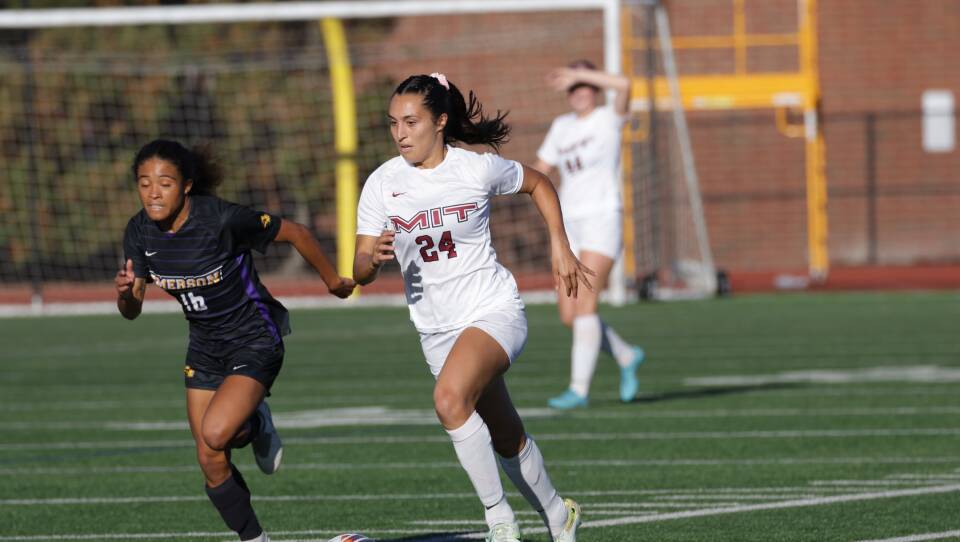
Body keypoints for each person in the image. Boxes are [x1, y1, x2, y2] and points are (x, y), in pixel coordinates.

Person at [353, 73, 587, 542]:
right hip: (435, 330)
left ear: (440, 121)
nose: (400, 132)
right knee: (505, 434)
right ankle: (559, 514)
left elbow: (539, 183)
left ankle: (499, 520)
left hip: (493, 310)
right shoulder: (382, 183)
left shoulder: (475, 168)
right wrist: (369, 262)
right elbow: (360, 266)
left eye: (411, 121)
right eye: (393, 123)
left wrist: (560, 245)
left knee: (449, 401)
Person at [115, 139, 356, 542]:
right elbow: (132, 309)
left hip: (254, 336)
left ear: (186, 185)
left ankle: (254, 416)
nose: (153, 193)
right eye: (144, 183)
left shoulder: (221, 220)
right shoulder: (139, 232)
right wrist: (124, 291)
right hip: (205, 347)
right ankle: (255, 538)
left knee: (215, 433)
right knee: (210, 457)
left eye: (165, 183)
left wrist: (333, 281)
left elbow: (295, 232)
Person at [532, 60, 646, 410]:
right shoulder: (561, 126)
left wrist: (580, 73)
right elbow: (541, 170)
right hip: (569, 226)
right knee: (571, 314)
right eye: (573, 88)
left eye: (584, 86)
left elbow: (625, 83)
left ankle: (578, 390)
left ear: (594, 89)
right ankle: (626, 356)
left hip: (602, 219)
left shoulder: (608, 118)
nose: (579, 93)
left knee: (586, 305)